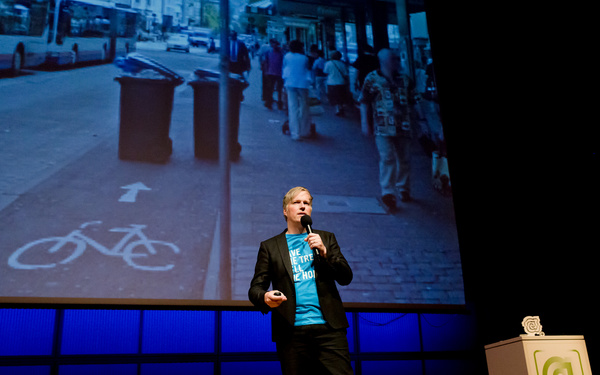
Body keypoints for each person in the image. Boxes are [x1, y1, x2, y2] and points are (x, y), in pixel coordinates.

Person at [248, 186, 354, 375]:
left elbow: (346, 277)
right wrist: (265, 296)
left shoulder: (326, 239)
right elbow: (256, 288)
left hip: (329, 330)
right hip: (291, 333)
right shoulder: (270, 247)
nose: (303, 206)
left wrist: (326, 253)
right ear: (285, 210)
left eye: (307, 203)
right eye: (296, 202)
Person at [358, 48, 417, 209]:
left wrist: (419, 122)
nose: (397, 62)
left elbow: (413, 102)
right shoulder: (372, 78)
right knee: (387, 157)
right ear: (385, 61)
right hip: (383, 126)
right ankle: (388, 192)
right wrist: (365, 123)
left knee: (404, 158)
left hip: (404, 126)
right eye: (394, 59)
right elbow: (364, 101)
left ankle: (403, 187)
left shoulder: (405, 79)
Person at [282, 40, 312, 140]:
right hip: (302, 84)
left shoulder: (287, 56)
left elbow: (285, 68)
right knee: (304, 107)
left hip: (290, 83)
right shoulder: (304, 58)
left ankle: (295, 133)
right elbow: (307, 69)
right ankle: (305, 131)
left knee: (292, 107)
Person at [352, 45, 379, 134]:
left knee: (365, 103)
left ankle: (367, 124)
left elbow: (356, 71)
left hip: (364, 83)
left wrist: (355, 82)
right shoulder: (375, 59)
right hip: (375, 83)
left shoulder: (360, 59)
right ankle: (376, 121)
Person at [323, 50, 349, 116]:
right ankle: (341, 107)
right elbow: (346, 74)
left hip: (331, 82)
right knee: (341, 96)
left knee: (334, 97)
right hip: (341, 82)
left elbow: (325, 72)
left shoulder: (328, 63)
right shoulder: (342, 64)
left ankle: (337, 109)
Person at [263, 39, 284, 110]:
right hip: (271, 73)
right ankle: (269, 102)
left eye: (276, 44)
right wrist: (266, 71)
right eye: (273, 44)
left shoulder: (281, 53)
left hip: (279, 73)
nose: (274, 46)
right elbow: (266, 62)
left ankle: (279, 102)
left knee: (279, 89)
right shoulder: (268, 52)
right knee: (270, 88)